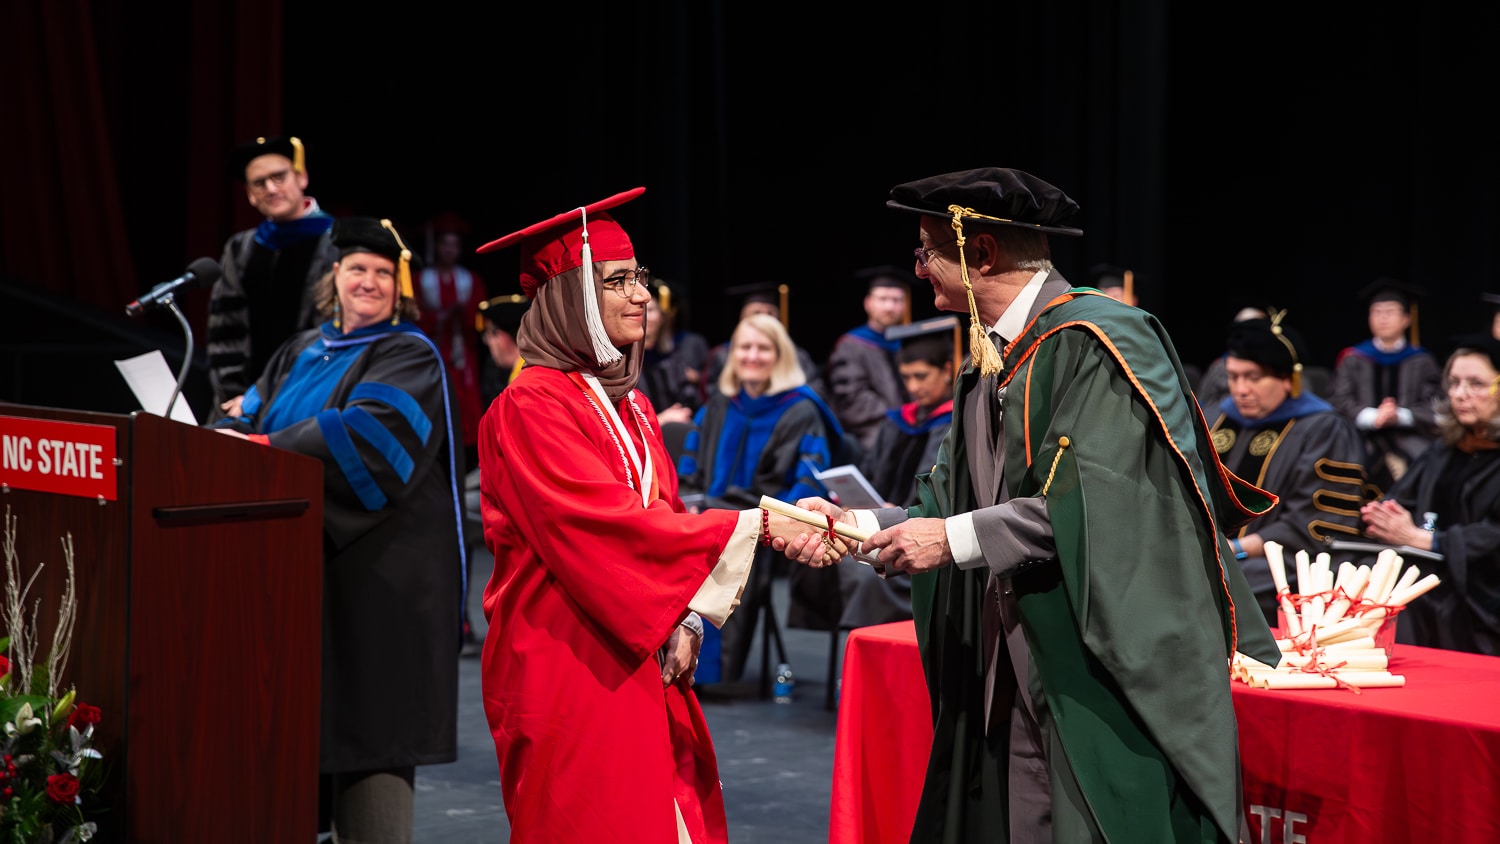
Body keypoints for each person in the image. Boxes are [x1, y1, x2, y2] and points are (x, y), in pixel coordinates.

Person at [775, 166, 1281, 844]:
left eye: (927, 250)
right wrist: (854, 524)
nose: (918, 269)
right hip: (1016, 649)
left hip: (1099, 661)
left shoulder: (1099, 343)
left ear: (980, 253)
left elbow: (1098, 506)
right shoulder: (994, 357)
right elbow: (944, 496)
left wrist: (950, 541)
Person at [470, 187, 846, 843]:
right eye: (618, 280)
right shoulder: (529, 407)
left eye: (638, 275)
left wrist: (689, 614)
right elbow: (605, 531)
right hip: (571, 662)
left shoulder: (635, 407)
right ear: (568, 300)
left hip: (640, 650)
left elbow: (664, 512)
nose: (643, 294)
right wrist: (759, 523)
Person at [210, 216, 464, 843]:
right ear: (335, 278)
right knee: (300, 744)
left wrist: (264, 445)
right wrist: (224, 439)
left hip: (377, 586)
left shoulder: (408, 353)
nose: (370, 282)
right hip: (304, 576)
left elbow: (372, 438)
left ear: (397, 287)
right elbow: (258, 416)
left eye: (383, 272)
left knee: (368, 736)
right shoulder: (301, 350)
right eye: (358, 269)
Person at [676, 312, 844, 684]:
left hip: (761, 522)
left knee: (728, 548)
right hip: (708, 515)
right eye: (744, 347)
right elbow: (688, 470)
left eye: (762, 348)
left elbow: (807, 480)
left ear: (779, 355)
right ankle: (673, 658)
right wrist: (689, 504)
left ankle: (707, 671)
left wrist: (771, 521)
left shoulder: (801, 410)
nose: (752, 355)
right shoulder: (718, 406)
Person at [1206, 310, 1370, 625]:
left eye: (1253, 377)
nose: (1240, 389)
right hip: (1211, 557)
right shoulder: (1213, 419)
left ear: (1287, 379)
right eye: (1233, 376)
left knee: (1222, 585)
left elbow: (1316, 524)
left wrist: (1234, 548)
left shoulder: (1324, 429)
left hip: (1285, 562)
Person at [1360, 335, 1500, 656]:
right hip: (1433, 578)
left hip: (1482, 595)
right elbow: (1401, 499)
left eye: (1475, 384)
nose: (1459, 394)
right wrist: (1382, 517)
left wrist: (1425, 539)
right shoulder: (1443, 449)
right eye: (1454, 382)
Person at [839, 315, 961, 630]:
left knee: (869, 581)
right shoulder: (896, 422)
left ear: (947, 370)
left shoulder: (954, 424)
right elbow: (871, 474)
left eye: (921, 376)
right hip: (877, 527)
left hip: (926, 539)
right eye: (906, 377)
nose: (913, 387)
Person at [207, 134, 339, 421]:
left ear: (301, 178)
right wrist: (235, 396)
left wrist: (274, 396)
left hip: (310, 400)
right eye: (259, 183)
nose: (270, 188)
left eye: (279, 177)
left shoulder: (337, 242)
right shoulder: (240, 248)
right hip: (240, 406)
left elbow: (332, 331)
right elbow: (225, 333)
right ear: (250, 195)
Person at [1327, 277, 1442, 495]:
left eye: (1390, 312)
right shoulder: (1353, 358)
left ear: (1406, 319)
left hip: (1411, 434)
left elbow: (1435, 403)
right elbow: (1338, 399)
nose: (1383, 318)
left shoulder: (1422, 361)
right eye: (1377, 312)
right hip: (1359, 435)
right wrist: (1372, 416)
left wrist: (1399, 415)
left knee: (1431, 460)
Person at [415, 218, 490, 471]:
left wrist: (462, 313)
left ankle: (468, 461)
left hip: (463, 354)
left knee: (466, 406)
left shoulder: (470, 280)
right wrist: (441, 317)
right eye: (445, 244)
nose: (449, 250)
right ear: (436, 247)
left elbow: (480, 320)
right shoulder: (420, 279)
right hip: (432, 351)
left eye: (454, 245)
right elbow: (413, 316)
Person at [825, 265, 913, 453]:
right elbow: (852, 398)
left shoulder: (910, 344)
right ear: (868, 303)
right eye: (883, 299)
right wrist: (898, 419)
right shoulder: (851, 346)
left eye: (897, 300)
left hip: (912, 427)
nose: (890, 307)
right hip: (870, 436)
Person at [704, 282, 825, 398]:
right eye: (756, 313)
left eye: (770, 314)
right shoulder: (722, 355)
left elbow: (816, 390)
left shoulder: (796, 355)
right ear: (742, 318)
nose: (764, 318)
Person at [640, 275, 711, 425]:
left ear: (662, 317)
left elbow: (689, 399)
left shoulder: (672, 358)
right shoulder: (625, 364)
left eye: (651, 310)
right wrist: (661, 420)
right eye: (640, 309)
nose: (645, 315)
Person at [1196, 303, 1270, 412]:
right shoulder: (1220, 366)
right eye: (1233, 377)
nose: (1241, 390)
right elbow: (1202, 402)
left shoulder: (1279, 366)